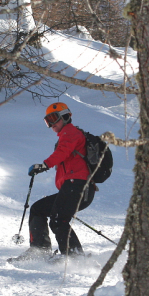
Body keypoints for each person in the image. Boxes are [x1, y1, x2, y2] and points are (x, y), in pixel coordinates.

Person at [18, 102, 95, 260]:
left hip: (78, 186)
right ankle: (39, 251)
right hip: (71, 187)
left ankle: (74, 258)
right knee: (38, 209)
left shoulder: (71, 133)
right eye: (48, 121)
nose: (51, 124)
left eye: (54, 118)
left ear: (66, 116)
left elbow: (62, 152)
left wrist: (44, 165)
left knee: (58, 219)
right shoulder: (66, 135)